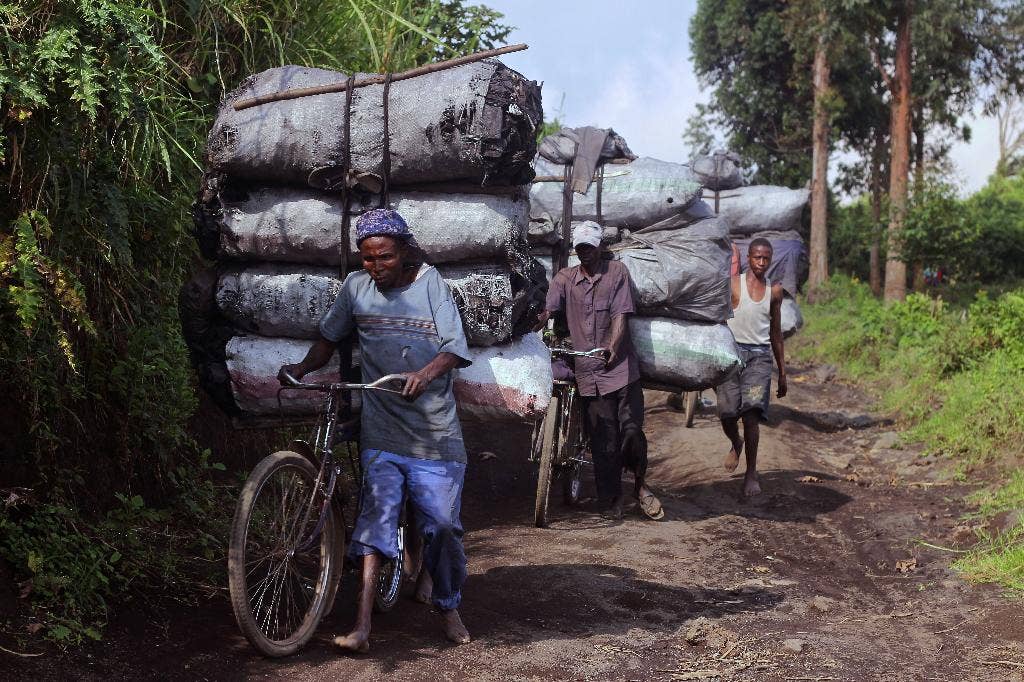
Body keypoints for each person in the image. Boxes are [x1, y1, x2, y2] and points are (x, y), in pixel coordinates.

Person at [278, 209, 473, 652]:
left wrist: (424, 375)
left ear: (404, 252)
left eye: (384, 257)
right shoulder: (356, 289)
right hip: (381, 427)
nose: (375, 266)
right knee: (376, 516)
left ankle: (448, 606)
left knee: (442, 526)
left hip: (434, 433)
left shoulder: (430, 284)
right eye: (367, 259)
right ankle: (362, 626)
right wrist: (302, 368)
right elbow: (329, 338)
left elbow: (454, 348)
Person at [535, 221, 663, 521]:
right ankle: (611, 500)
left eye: (590, 248)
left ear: (601, 247)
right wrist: (531, 326)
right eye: (580, 248)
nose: (585, 253)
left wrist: (612, 348)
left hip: (619, 370)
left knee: (631, 433)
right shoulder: (564, 279)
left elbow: (621, 315)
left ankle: (641, 486)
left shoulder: (616, 273)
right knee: (604, 443)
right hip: (588, 376)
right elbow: (548, 311)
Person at [716, 237, 788, 497]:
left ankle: (751, 473)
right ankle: (736, 441)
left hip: (759, 358)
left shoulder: (774, 291)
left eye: (766, 258)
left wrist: (782, 372)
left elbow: (776, 332)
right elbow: (717, 320)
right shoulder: (733, 285)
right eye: (757, 257)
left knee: (751, 415)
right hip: (731, 355)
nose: (761, 262)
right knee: (726, 413)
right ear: (748, 258)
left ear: (770, 260)